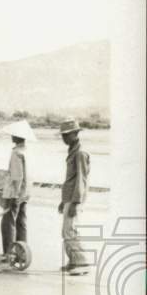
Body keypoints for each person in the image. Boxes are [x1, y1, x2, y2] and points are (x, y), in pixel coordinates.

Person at [58, 117, 91, 273]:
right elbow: (70, 179)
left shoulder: (80, 153)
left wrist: (75, 202)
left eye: (66, 135)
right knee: (67, 229)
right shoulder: (73, 150)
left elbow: (81, 180)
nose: (64, 138)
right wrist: (63, 200)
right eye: (63, 135)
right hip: (69, 196)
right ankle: (74, 261)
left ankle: (81, 263)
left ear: (75, 133)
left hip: (75, 197)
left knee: (70, 230)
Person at [0, 120, 34, 254]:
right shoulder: (26, 151)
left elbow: (17, 177)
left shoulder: (16, 153)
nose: (11, 136)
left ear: (18, 136)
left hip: (15, 192)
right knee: (21, 222)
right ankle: (22, 251)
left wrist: (15, 194)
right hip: (26, 192)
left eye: (13, 134)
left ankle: (9, 252)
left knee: (8, 223)